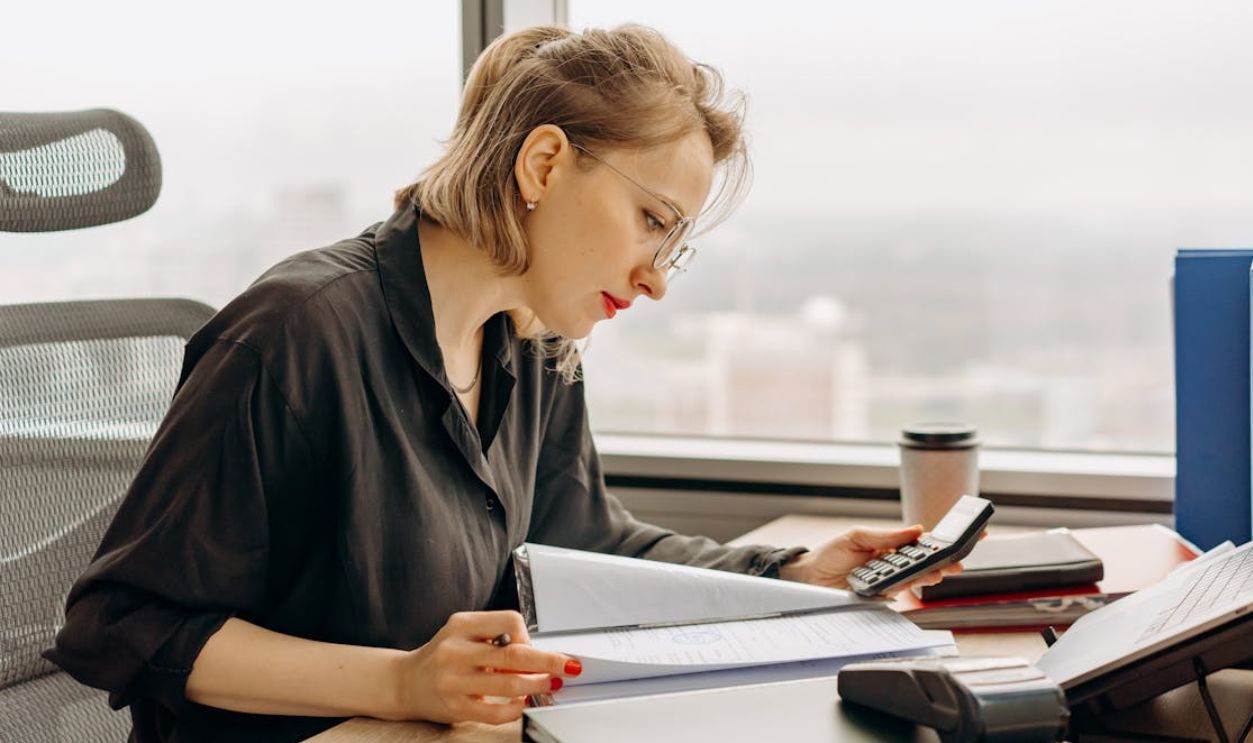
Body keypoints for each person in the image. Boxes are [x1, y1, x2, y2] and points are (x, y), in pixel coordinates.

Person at [46, 24, 961, 743]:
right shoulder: (297, 332)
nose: (656, 279)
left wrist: (788, 573)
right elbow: (117, 623)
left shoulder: (532, 344)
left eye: (673, 244)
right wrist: (401, 680)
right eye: (651, 220)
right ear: (543, 163)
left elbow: (584, 538)